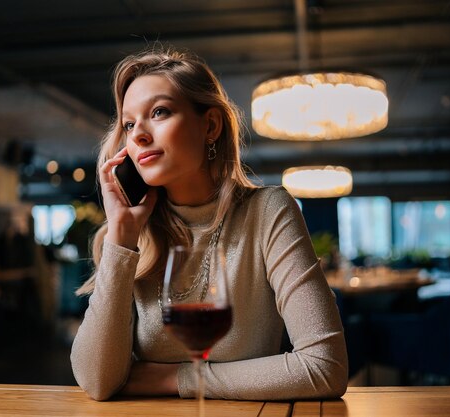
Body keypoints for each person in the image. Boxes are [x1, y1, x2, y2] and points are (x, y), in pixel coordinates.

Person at [70, 46, 348, 401]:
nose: (138, 134)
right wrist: (122, 237)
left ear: (211, 125)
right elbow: (96, 381)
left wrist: (175, 380)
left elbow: (325, 367)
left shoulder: (268, 212)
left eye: (159, 112)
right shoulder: (126, 237)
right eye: (128, 124)